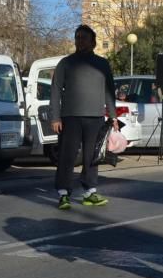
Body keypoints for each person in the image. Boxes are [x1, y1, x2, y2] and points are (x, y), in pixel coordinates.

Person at [49, 24, 117, 210]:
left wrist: (113, 116)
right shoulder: (66, 63)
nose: (80, 41)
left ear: (93, 42)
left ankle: (90, 192)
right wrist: (55, 117)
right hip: (70, 117)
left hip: (95, 118)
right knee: (67, 156)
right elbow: (55, 91)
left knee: (92, 156)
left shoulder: (103, 64)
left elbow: (109, 91)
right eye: (77, 37)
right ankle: (63, 194)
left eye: (84, 38)